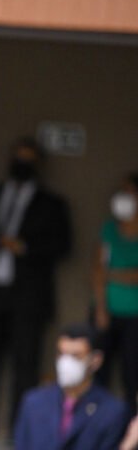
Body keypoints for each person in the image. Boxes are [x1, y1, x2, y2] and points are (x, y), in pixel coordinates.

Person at [0, 136, 71, 430]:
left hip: (28, 295)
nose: (22, 164)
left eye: (28, 159)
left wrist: (25, 247)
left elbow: (63, 245)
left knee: (25, 364)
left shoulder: (51, 203)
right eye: (18, 157)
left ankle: (19, 429)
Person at [14, 323, 129, 450]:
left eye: (75, 356)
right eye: (62, 354)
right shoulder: (34, 402)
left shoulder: (112, 411)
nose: (66, 362)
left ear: (96, 360)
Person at [92, 173, 138, 415]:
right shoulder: (109, 229)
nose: (124, 197)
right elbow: (98, 270)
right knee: (99, 372)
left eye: (129, 192)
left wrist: (114, 274)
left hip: (135, 316)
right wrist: (101, 308)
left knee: (132, 374)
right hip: (107, 312)